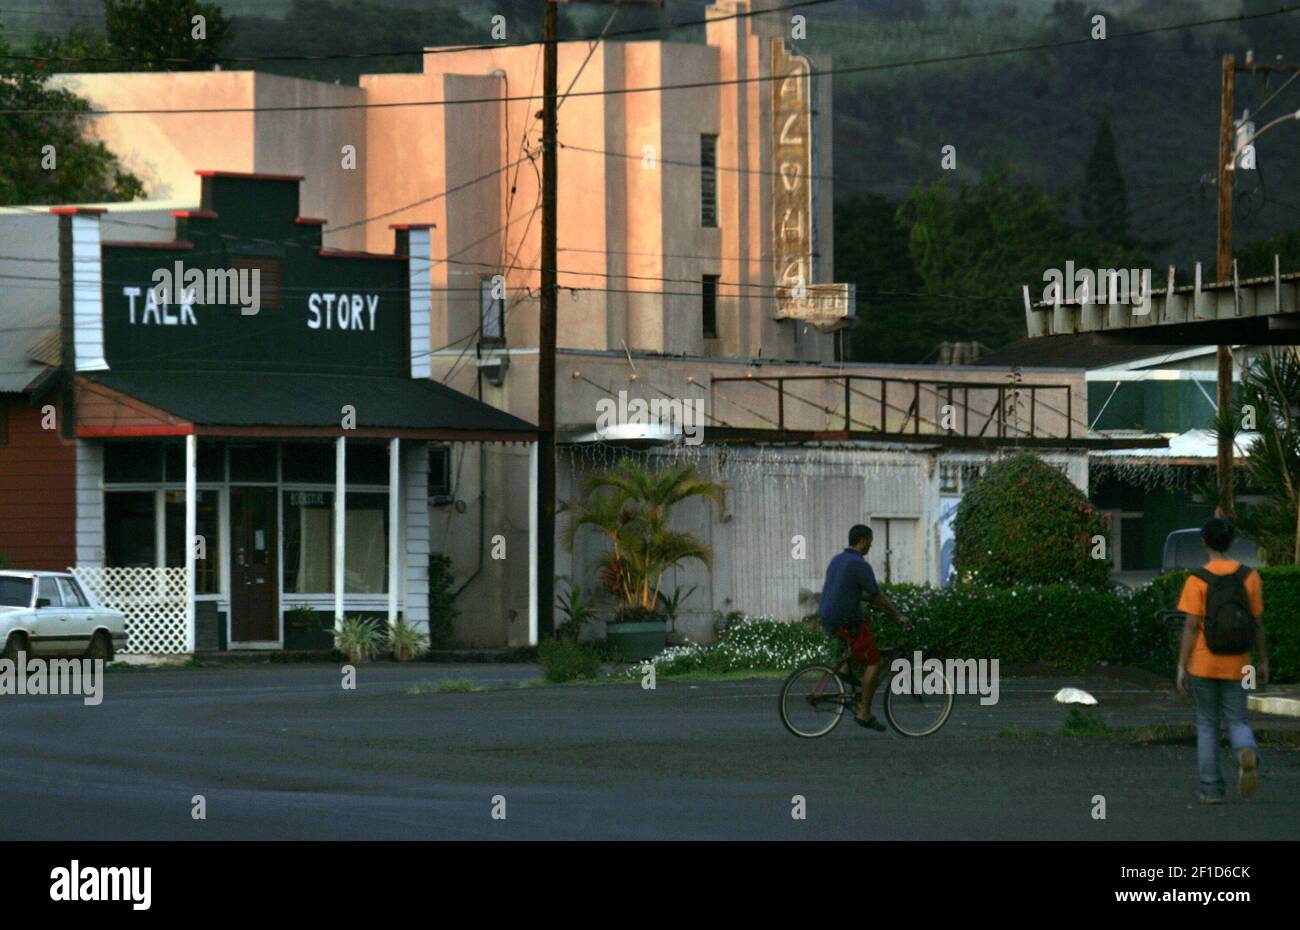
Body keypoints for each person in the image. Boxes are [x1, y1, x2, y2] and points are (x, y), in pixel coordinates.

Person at [1175, 517, 1269, 804]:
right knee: (1237, 719)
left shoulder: (1197, 580)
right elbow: (1256, 623)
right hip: (1239, 662)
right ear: (1231, 542)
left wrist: (1182, 665)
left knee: (1207, 725)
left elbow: (1192, 627)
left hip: (1203, 663)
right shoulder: (1249, 576)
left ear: (1204, 542)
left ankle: (1211, 789)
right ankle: (1245, 749)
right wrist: (1262, 661)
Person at [817, 524, 910, 732]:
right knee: (874, 661)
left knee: (863, 626)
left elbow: (847, 590)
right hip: (845, 619)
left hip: (827, 616)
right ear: (863, 540)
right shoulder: (860, 564)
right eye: (870, 541)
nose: (871, 545)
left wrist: (867, 600)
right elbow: (877, 596)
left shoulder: (838, 560)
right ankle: (864, 713)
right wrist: (897, 616)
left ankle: (846, 670)